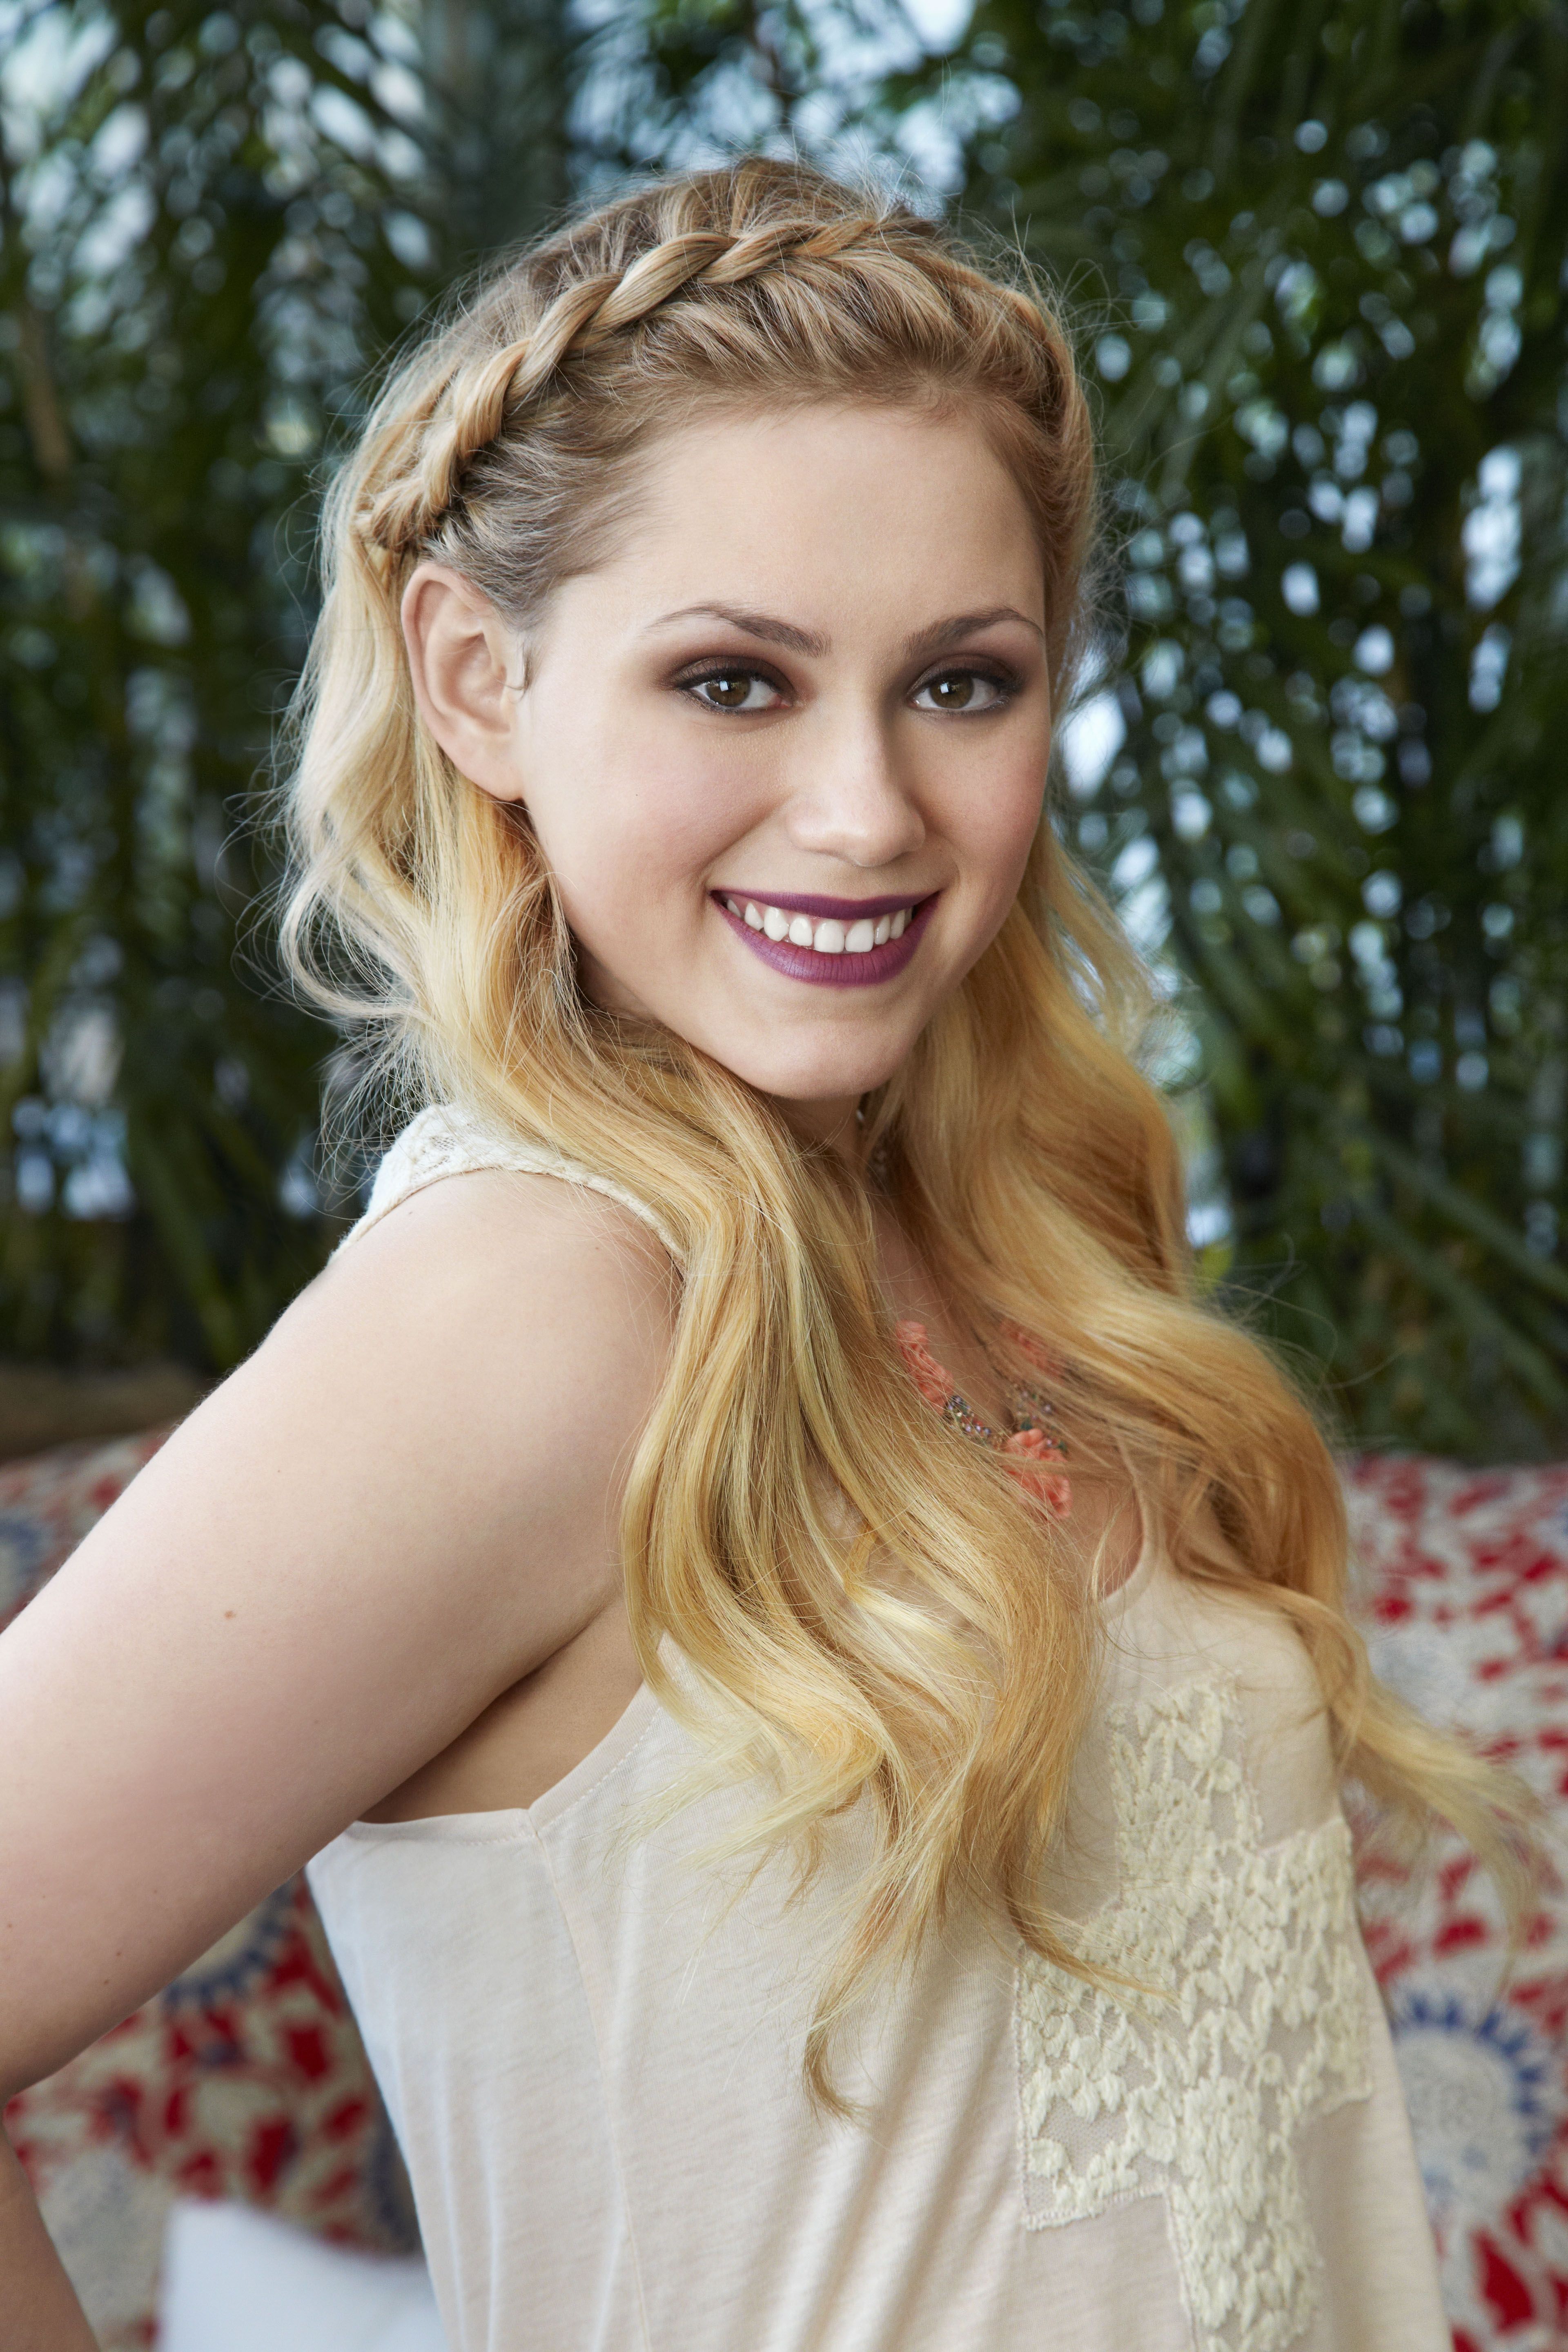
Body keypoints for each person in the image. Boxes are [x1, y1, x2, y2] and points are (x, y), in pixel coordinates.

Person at [0, 158, 1530, 2352]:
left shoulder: (1030, 1239)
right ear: (478, 678)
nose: (866, 810)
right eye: (734, 681)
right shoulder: (531, 1305)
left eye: (962, 685)